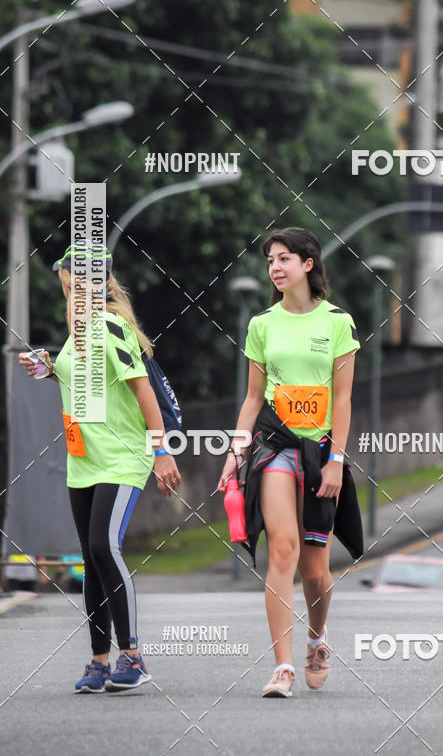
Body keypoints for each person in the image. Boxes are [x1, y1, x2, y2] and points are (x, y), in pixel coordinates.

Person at [19, 241, 181, 693]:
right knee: (91, 560)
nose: (71, 298)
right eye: (67, 290)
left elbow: (143, 391)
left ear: (99, 287)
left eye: (77, 289)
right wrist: (49, 368)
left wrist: (161, 451)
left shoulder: (110, 327)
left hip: (123, 456)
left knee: (103, 547)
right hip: (84, 459)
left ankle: (132, 655)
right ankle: (98, 661)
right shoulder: (79, 334)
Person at [218, 227, 363, 698]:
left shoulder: (338, 322)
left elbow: (342, 401)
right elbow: (252, 398)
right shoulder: (261, 325)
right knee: (283, 549)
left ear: (308, 264)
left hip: (320, 451)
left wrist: (337, 460)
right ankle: (282, 667)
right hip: (275, 445)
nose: (275, 268)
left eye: (283, 259)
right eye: (270, 261)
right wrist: (235, 452)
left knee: (315, 570)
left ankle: (317, 641)